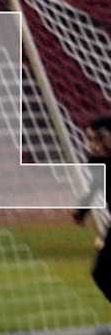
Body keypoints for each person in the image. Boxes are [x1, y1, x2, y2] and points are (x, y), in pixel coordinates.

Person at [73, 114, 111, 304]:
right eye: (89, 139)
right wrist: (82, 211)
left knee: (101, 272)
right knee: (100, 273)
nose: (92, 144)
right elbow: (95, 186)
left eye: (97, 138)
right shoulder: (97, 161)